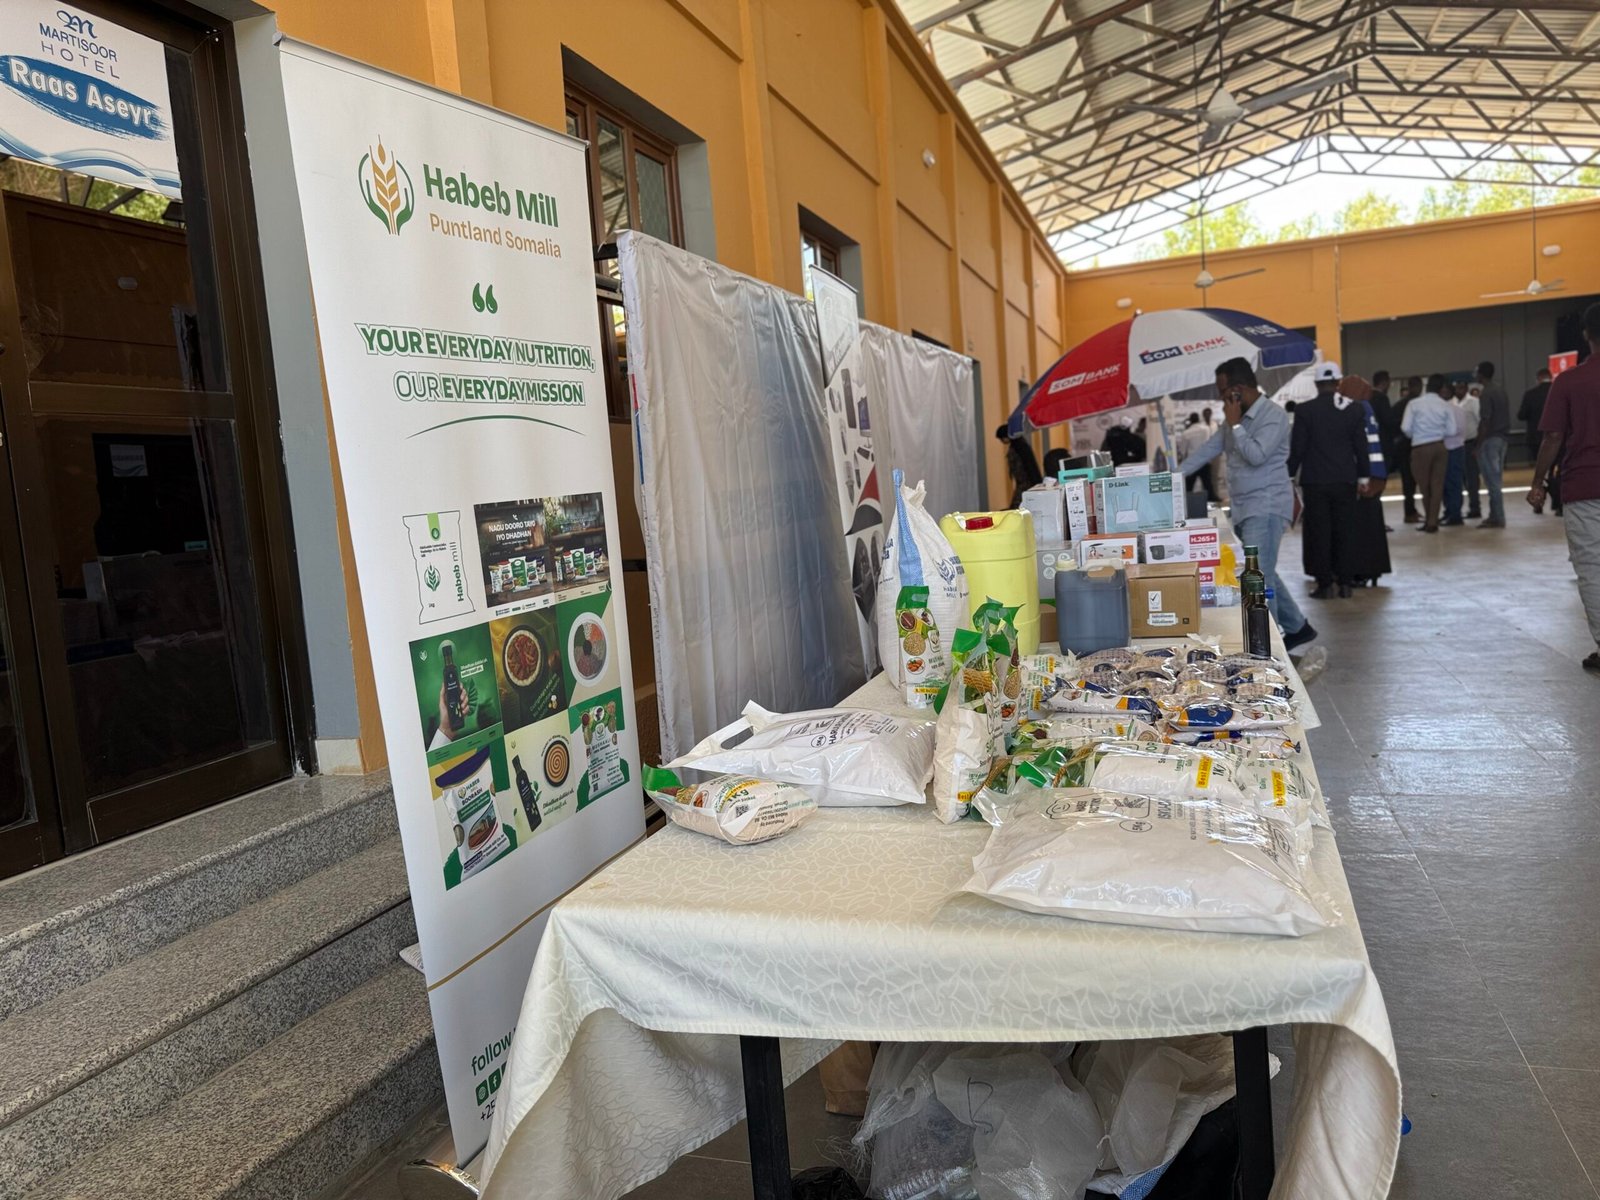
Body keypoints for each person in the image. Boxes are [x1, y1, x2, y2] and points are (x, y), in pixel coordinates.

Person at [1179, 357, 1317, 649]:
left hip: (1266, 506)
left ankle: (1270, 650)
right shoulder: (1235, 419)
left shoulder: (1272, 416)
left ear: (1238, 389)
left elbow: (1257, 455)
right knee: (1263, 570)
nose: (1221, 398)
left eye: (1222, 391)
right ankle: (1298, 627)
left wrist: (1236, 425)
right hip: (1244, 508)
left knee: (1258, 580)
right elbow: (1208, 450)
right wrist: (1170, 476)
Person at [1528, 302, 1600, 674]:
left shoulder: (1570, 382)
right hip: (1583, 487)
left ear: (1586, 335)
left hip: (1585, 487)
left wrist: (1538, 482)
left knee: (1593, 569)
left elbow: (1553, 437)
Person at [1288, 363, 1370, 598]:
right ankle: (1345, 583)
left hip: (1316, 481)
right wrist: (1363, 476)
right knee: (1345, 531)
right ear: (1338, 383)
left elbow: (1298, 448)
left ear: (1316, 384)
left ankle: (1325, 585)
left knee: (1320, 533)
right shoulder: (1354, 409)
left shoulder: (1305, 410)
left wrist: (1289, 475)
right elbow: (1361, 446)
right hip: (1345, 480)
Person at [1401, 374, 1456, 532]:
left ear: (1427, 386)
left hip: (1420, 447)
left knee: (1424, 487)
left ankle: (1429, 520)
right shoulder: (1445, 405)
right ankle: (1433, 521)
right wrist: (1438, 433)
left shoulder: (1414, 404)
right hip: (1439, 446)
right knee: (1437, 486)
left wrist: (1417, 435)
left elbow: (1405, 428)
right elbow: (1452, 430)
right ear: (1441, 388)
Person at [1475, 360, 1511, 527]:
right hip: (1503, 438)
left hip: (1490, 440)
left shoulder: (1486, 393)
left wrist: (1478, 444)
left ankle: (1498, 517)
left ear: (1481, 374)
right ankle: (1494, 514)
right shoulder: (1500, 390)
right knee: (1496, 478)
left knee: (1492, 481)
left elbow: (1485, 420)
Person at [1520, 367, 1553, 510]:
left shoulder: (1530, 394)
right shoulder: (1557, 391)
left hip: (1535, 437)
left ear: (1538, 378)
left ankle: (1538, 500)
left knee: (1540, 470)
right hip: (1557, 438)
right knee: (1555, 471)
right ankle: (1557, 504)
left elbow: (1521, 415)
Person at [1441, 382, 1470, 526]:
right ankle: (1448, 511)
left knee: (1454, 483)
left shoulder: (1457, 410)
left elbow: (1459, 430)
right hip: (1445, 449)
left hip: (1454, 448)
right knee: (1445, 483)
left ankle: (1455, 514)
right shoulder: (1441, 409)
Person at [995, 423, 1042, 507]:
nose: (1002, 441)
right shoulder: (1019, 445)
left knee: (1017, 507)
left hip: (1025, 484)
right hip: (1025, 483)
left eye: (1002, 438)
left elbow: (1028, 466)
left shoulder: (1019, 447)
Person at [1395, 375, 1421, 523]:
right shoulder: (1415, 404)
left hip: (1403, 446)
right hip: (1410, 446)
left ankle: (1411, 510)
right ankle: (1410, 512)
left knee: (1409, 481)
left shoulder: (1400, 405)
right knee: (1411, 481)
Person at [1179, 412, 1218, 500]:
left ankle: (1186, 502)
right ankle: (1212, 501)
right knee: (1208, 485)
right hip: (1204, 461)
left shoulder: (1186, 433)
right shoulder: (1206, 429)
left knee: (1189, 486)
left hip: (1192, 462)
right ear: (1199, 419)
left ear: (1190, 421)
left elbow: (1183, 451)